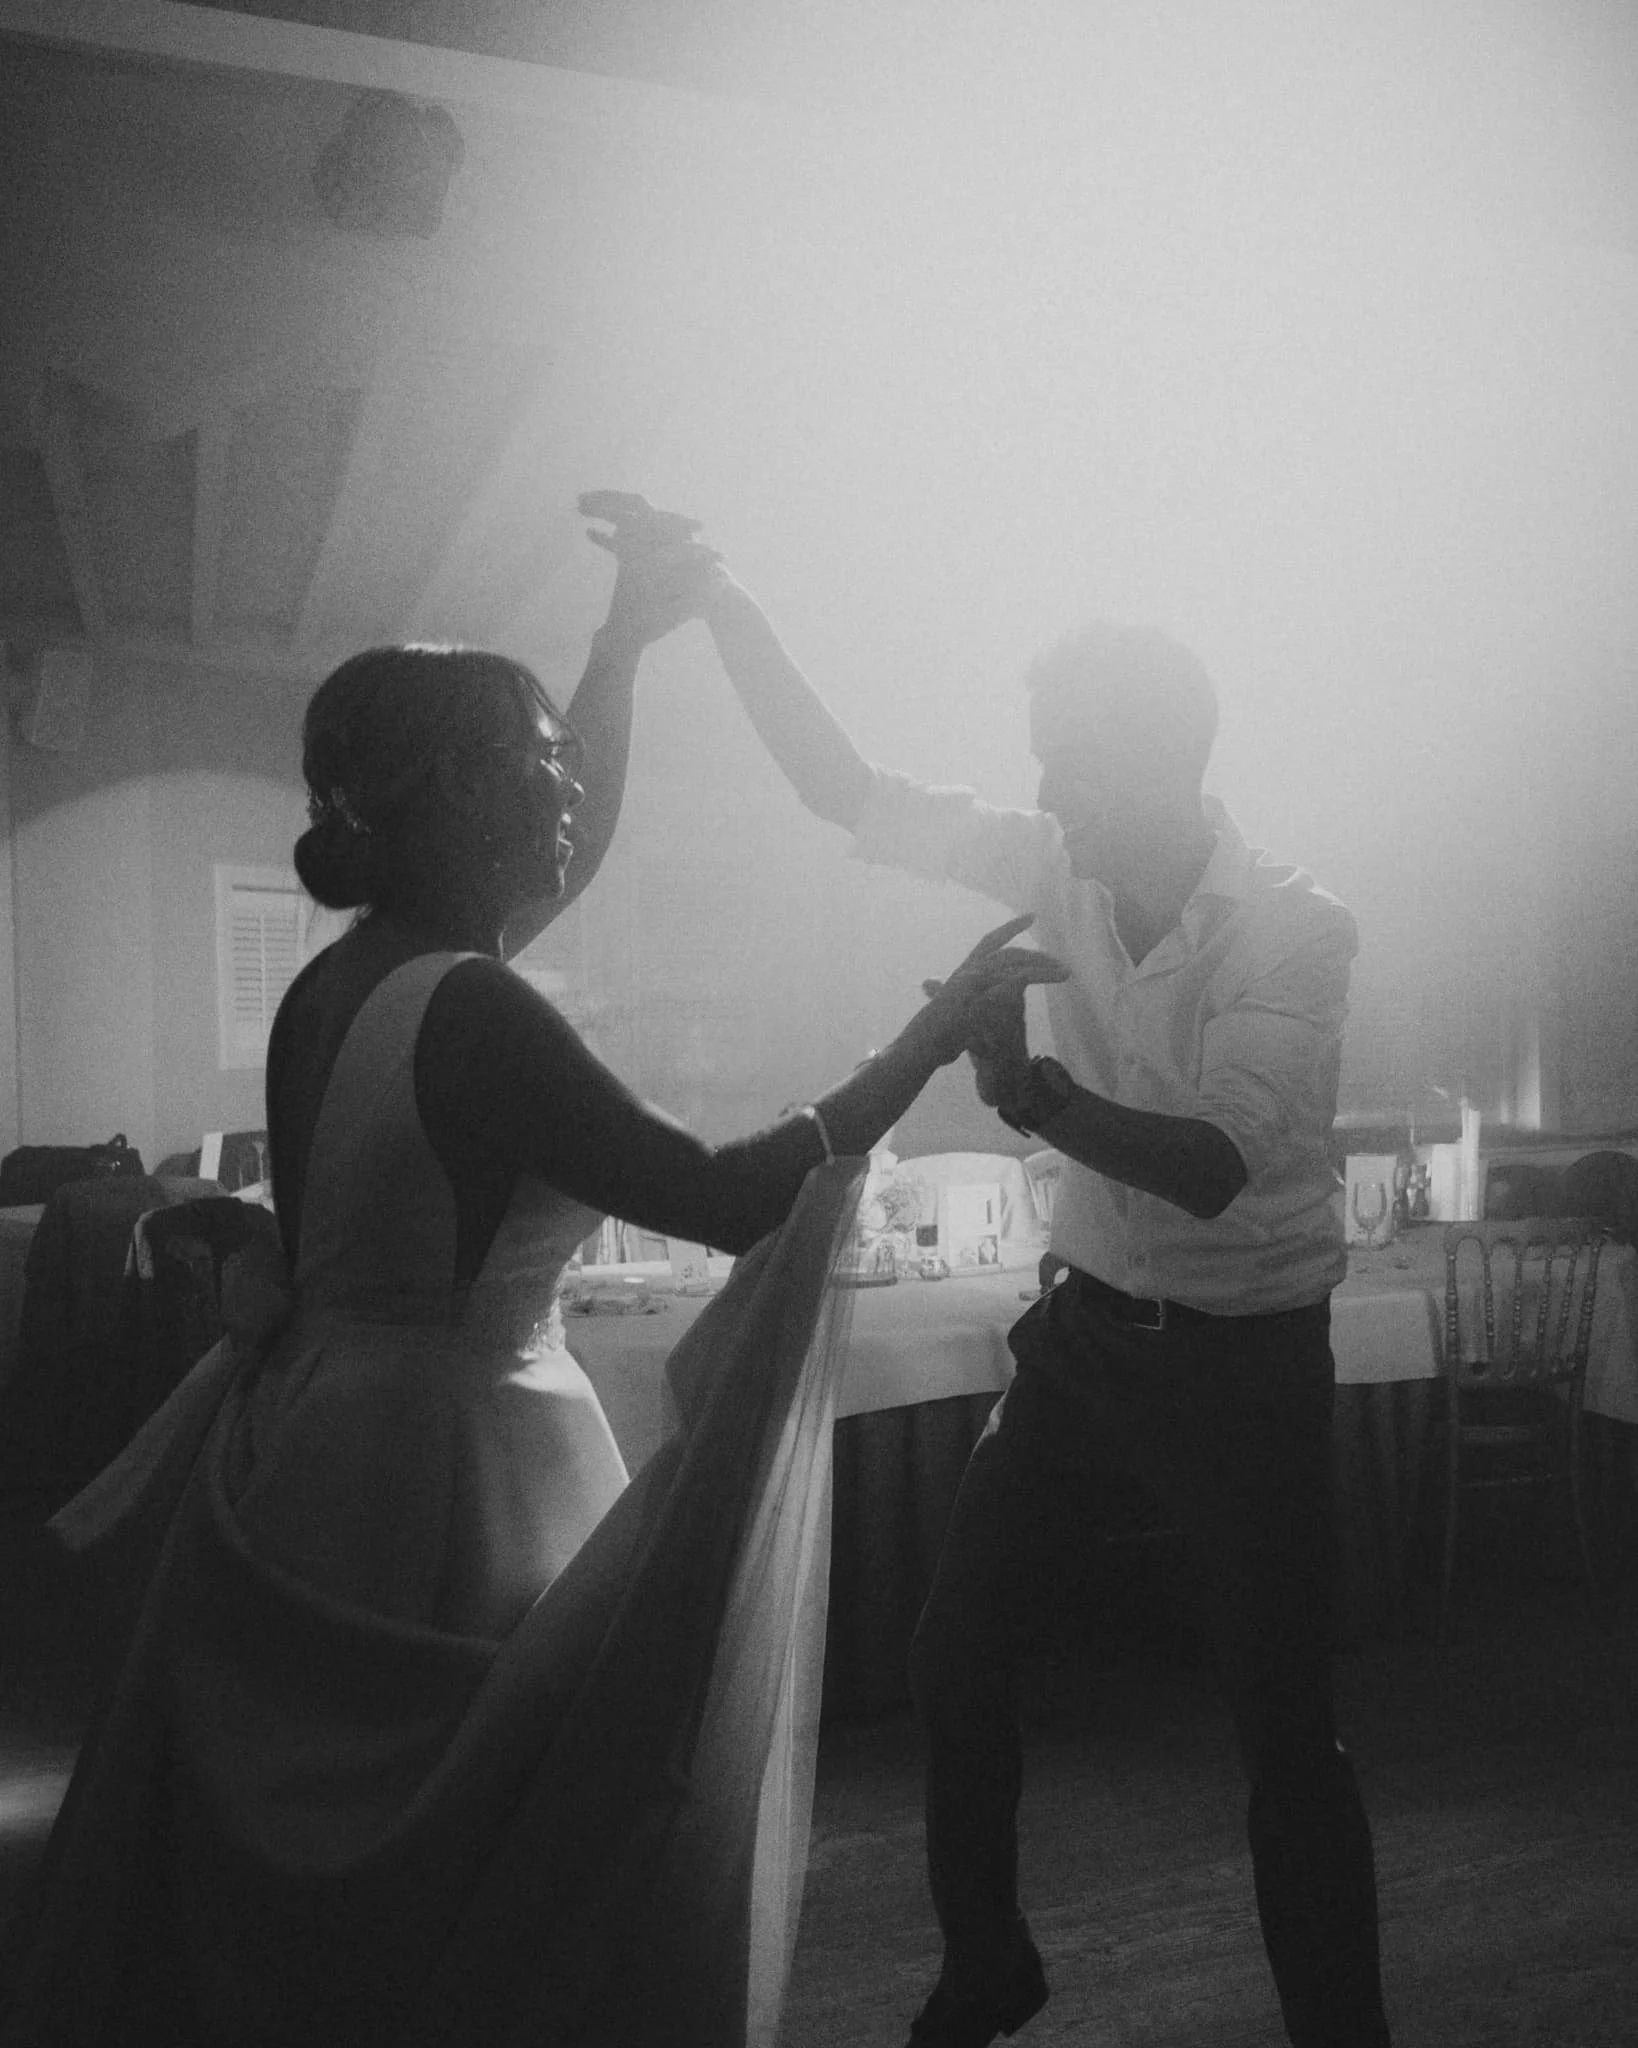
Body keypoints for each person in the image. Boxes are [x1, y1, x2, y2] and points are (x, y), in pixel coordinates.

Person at [0, 503, 1065, 2048]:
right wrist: (929, 1032)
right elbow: (721, 1198)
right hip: (460, 1470)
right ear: (454, 792)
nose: (568, 787)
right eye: (540, 761)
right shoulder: (480, 1011)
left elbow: (580, 846)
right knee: (490, 1850)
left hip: (314, 1444)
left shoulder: (340, 981)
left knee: (338, 1875)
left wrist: (621, 644)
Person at [693, 570, 1392, 2048]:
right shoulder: (1047, 857)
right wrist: (725, 607)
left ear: (1164, 760)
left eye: (1072, 759)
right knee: (954, 1656)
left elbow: (1211, 1166)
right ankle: (986, 1964)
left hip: (1247, 1360)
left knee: (1284, 1734)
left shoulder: (1293, 925)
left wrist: (1027, 1093)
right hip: (1080, 1342)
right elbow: (846, 792)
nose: (1048, 790)